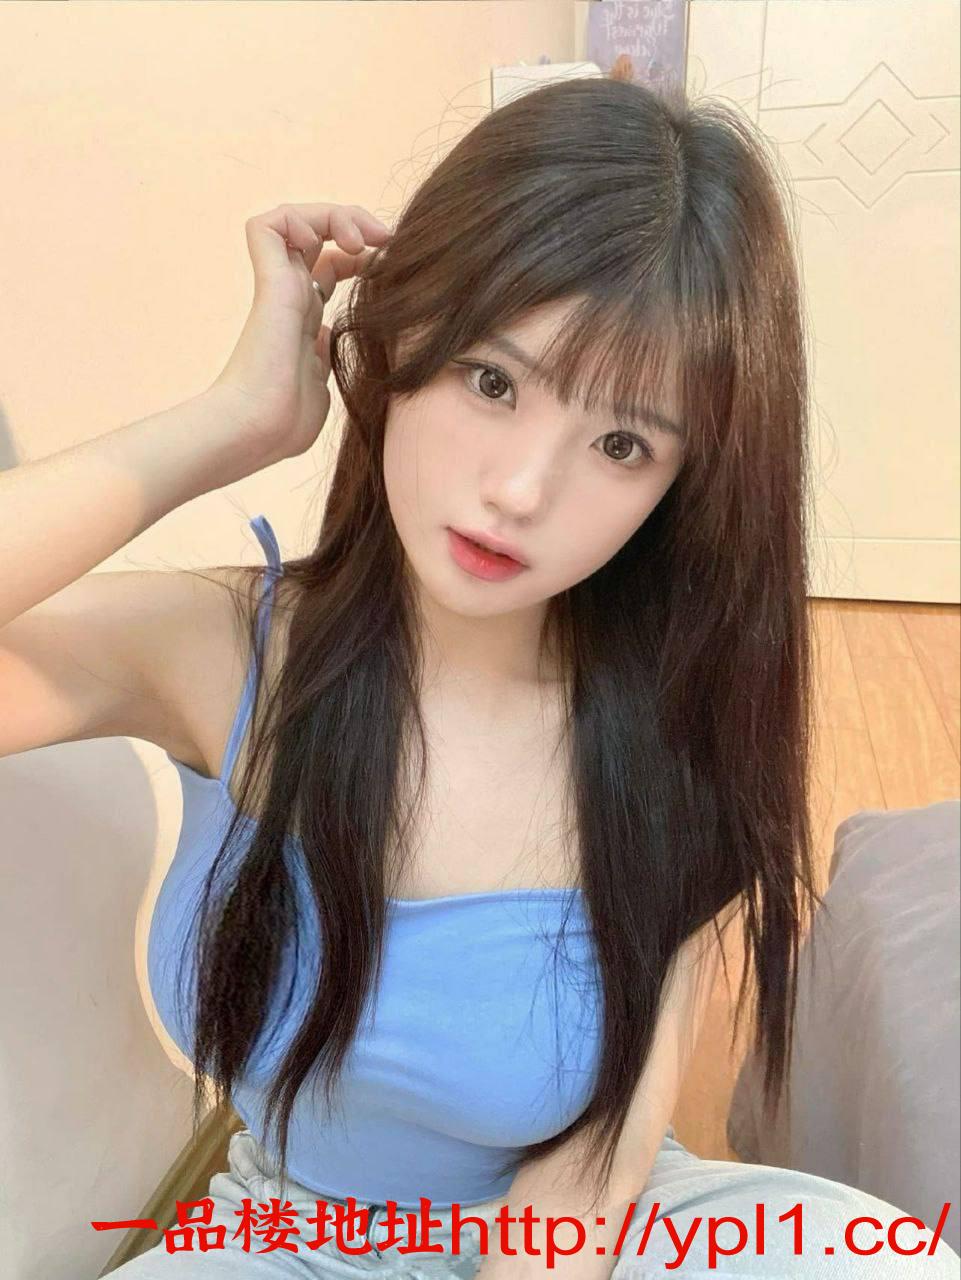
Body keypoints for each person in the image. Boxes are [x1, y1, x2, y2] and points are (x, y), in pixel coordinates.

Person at [1, 78, 956, 1279]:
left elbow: (599, 1154)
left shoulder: (676, 718)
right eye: (492, 380)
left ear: (681, 486)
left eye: (621, 443)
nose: (520, 489)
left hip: (587, 1228)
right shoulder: (225, 647)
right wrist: (233, 419)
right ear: (401, 342)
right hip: (291, 1235)